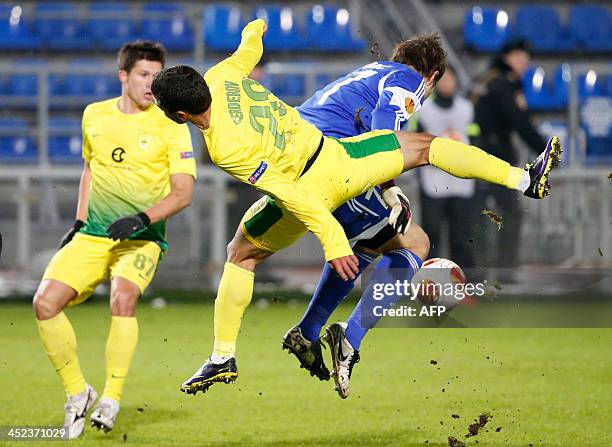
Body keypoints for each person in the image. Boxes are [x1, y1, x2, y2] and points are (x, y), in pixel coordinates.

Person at [150, 19, 561, 397]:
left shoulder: (223, 147)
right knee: (422, 172)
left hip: (300, 185)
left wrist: (343, 231)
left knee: (240, 254)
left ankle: (226, 354)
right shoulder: (222, 77)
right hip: (333, 166)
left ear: (180, 115)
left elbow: (285, 191)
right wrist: (255, 27)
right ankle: (525, 179)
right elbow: (249, 51)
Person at [32, 41, 196, 439]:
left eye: (157, 76)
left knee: (122, 299)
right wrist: (79, 220)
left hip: (143, 237)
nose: (151, 84)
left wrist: (142, 219)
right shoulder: (95, 116)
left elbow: (182, 194)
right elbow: (90, 169)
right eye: (143, 75)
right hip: (94, 233)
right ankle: (79, 392)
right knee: (44, 304)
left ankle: (111, 397)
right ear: (123, 76)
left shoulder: (172, 123)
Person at [281, 34, 446, 398]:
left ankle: (307, 333)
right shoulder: (410, 79)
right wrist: (391, 188)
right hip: (322, 163)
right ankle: (348, 338)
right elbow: (382, 131)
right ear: (432, 76)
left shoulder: (371, 71)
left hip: (299, 157)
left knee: (368, 244)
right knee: (414, 242)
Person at [471, 39, 547, 275]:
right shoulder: (504, 84)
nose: (524, 63)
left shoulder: (486, 79)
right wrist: (546, 151)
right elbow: (519, 122)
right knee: (510, 214)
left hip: (474, 155)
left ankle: (477, 268)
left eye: (526, 59)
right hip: (496, 156)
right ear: (506, 58)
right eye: (519, 58)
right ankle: (505, 268)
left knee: (479, 214)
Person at [417, 66, 477, 269]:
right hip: (433, 181)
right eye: (442, 80)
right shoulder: (424, 110)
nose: (446, 83)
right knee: (431, 235)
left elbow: (476, 138)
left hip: (461, 182)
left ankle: (464, 285)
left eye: (450, 79)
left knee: (461, 236)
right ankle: (429, 284)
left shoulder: (466, 109)